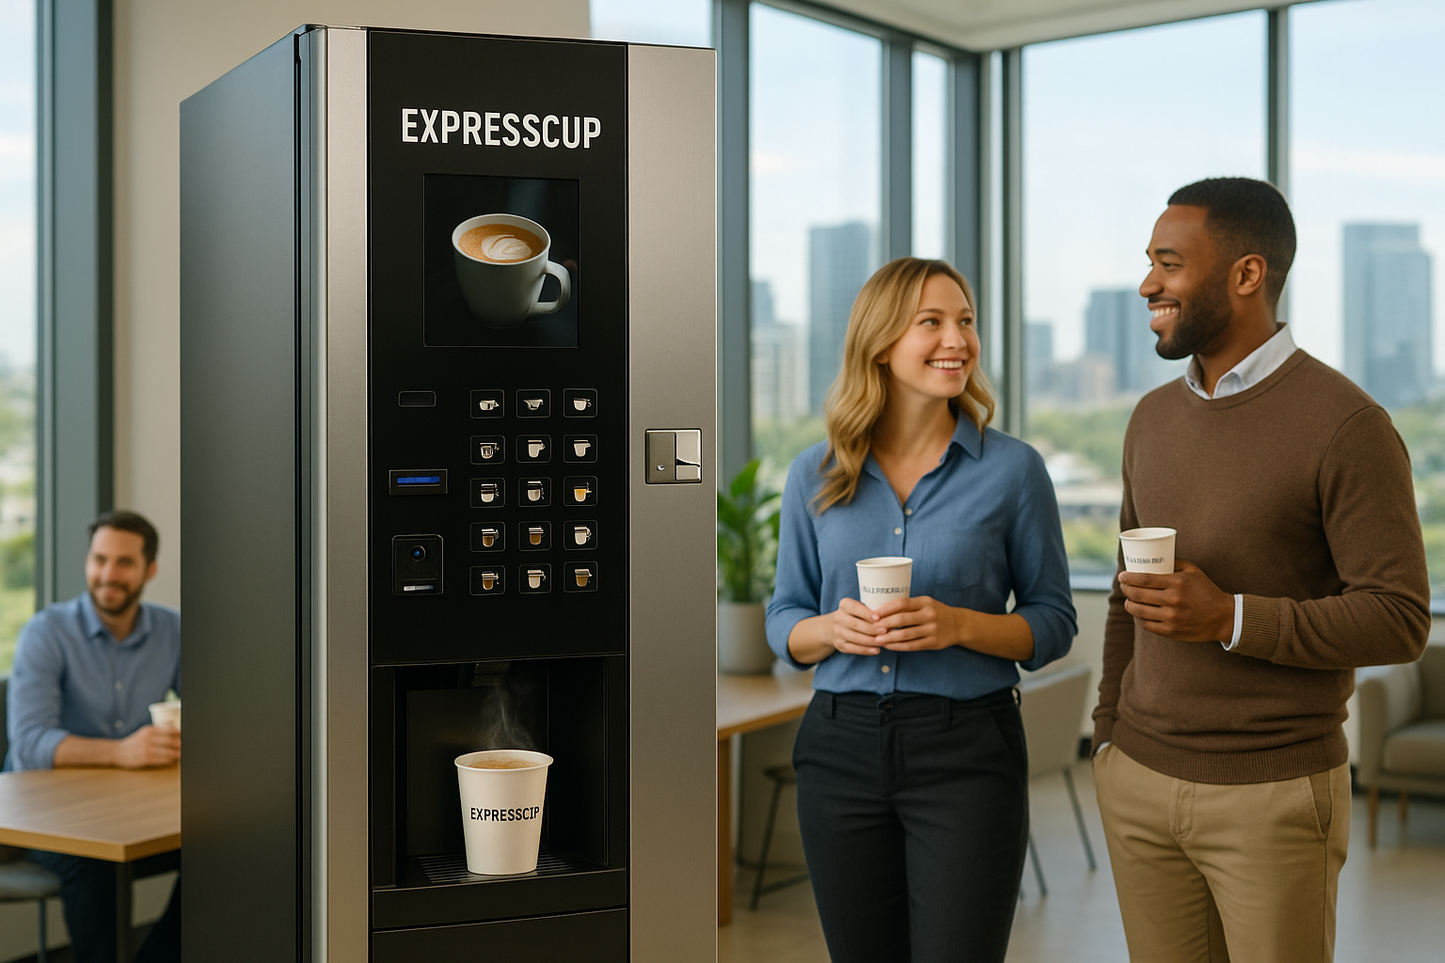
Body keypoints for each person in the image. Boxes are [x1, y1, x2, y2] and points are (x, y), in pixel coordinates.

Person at [1092, 177, 1430, 963]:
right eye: (1149, 262)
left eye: (1168, 264)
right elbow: (1123, 595)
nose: (1147, 282)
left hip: (1271, 795)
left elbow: (1399, 615)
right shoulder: (1148, 419)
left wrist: (1229, 617)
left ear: (1246, 275)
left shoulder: (1348, 425)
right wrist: (1108, 732)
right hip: (1137, 777)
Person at [767, 257, 1076, 963]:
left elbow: (1052, 621)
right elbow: (784, 617)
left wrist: (958, 624)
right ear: (880, 343)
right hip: (837, 748)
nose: (957, 339)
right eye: (931, 322)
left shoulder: (1013, 470)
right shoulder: (813, 474)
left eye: (964, 321)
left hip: (967, 748)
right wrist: (829, 628)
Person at [6, 510, 181, 963]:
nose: (108, 574)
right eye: (99, 559)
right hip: (43, 822)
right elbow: (30, 742)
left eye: (124, 562)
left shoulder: (171, 629)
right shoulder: (47, 632)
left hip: (124, 813)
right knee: (96, 869)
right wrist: (122, 752)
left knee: (227, 849)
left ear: (150, 570)